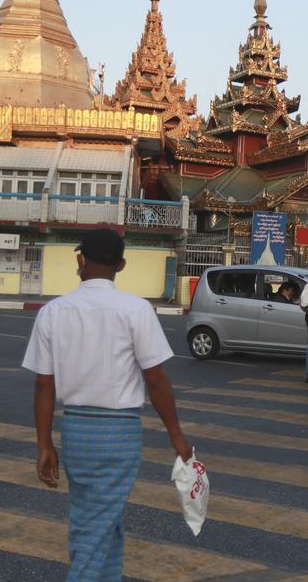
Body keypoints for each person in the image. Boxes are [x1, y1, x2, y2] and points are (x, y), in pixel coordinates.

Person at [22, 228, 192, 581]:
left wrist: (44, 444)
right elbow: (156, 379)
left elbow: (43, 384)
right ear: (123, 264)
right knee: (96, 527)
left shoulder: (53, 312)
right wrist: (176, 435)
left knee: (101, 521)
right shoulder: (136, 310)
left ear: (80, 259)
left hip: (77, 430)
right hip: (120, 432)